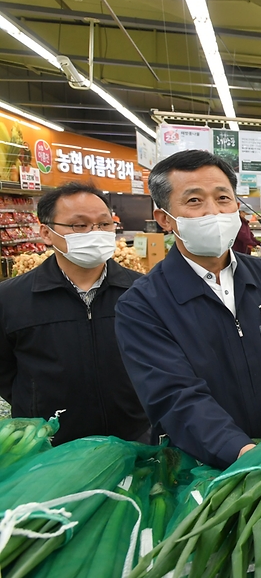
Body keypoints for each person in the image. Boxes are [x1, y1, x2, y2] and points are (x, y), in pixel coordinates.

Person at [115, 151, 261, 469]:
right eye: (194, 201)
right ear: (165, 218)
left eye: (223, 198)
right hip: (202, 466)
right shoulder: (143, 305)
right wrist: (238, 449)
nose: (213, 212)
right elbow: (175, 395)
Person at [0, 183, 149, 445]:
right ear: (46, 233)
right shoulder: (10, 298)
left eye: (104, 224)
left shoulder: (143, 292)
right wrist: (36, 404)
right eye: (79, 226)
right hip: (49, 444)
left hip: (135, 439)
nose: (95, 233)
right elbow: (5, 372)